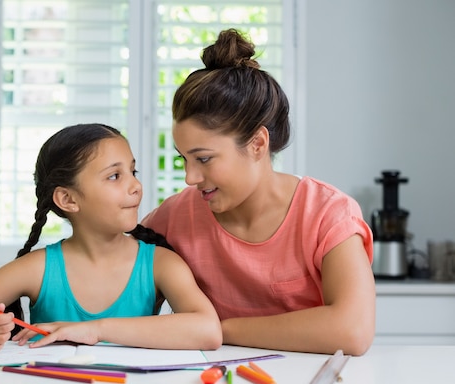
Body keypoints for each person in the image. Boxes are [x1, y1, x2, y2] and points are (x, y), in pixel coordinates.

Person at [141, 29, 375, 356]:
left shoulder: (327, 214)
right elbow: (112, 284)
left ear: (257, 144)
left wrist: (217, 330)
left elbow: (352, 331)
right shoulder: (173, 218)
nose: (190, 177)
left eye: (204, 158)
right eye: (184, 159)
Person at [0, 123, 222, 353]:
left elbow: (208, 330)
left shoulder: (159, 263)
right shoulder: (36, 268)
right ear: (67, 199)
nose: (136, 186)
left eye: (133, 171)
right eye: (115, 176)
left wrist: (95, 330)